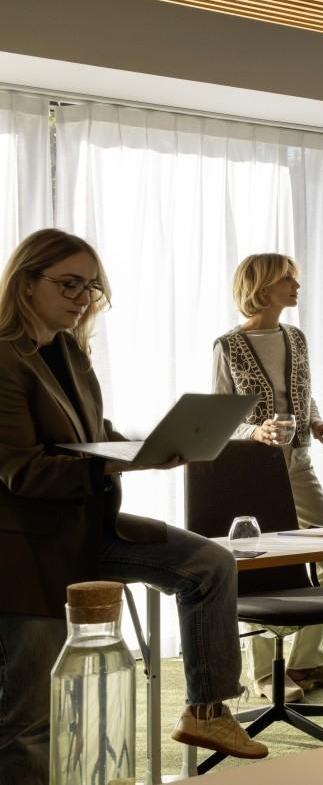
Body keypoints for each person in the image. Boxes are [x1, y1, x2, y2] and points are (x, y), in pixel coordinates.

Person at [0, 229, 267, 782]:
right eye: (68, 284)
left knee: (208, 565)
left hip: (86, 524)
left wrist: (150, 446)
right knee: (30, 721)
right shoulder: (4, 360)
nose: (81, 298)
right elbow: (22, 472)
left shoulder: (69, 351)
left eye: (91, 288)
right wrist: (120, 463)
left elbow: (92, 435)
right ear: (26, 284)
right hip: (26, 550)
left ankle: (207, 710)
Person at [212, 253, 323, 702]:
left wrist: (319, 420)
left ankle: (304, 658)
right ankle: (264, 673)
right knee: (264, 564)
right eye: (288, 279)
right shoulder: (228, 346)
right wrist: (255, 429)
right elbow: (218, 417)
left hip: (299, 461)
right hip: (254, 468)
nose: (296, 286)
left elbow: (304, 393)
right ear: (264, 286)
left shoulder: (297, 338)